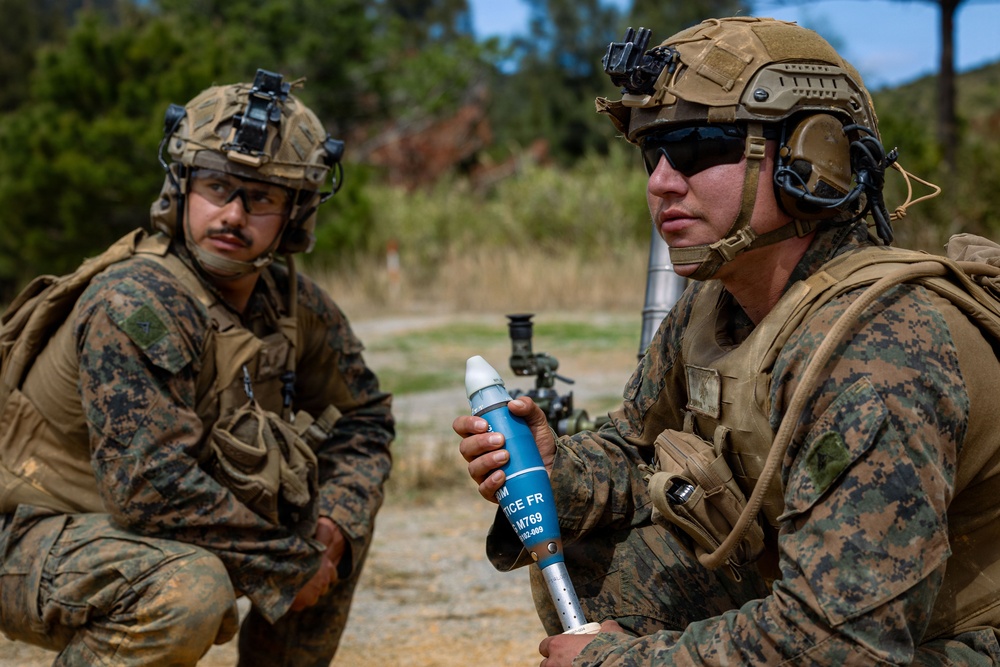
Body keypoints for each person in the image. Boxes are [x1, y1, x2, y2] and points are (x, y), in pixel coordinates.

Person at [454, 16, 1000, 666]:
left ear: (811, 156)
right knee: (597, 545)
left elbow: (844, 645)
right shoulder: (714, 307)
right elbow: (636, 448)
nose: (660, 181)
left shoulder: (882, 344)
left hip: (941, 640)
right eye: (650, 152)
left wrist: (620, 661)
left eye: (693, 147)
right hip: (828, 605)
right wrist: (556, 471)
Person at [0, 69, 394, 666]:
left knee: (329, 528)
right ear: (182, 188)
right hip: (29, 534)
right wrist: (292, 565)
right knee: (189, 591)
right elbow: (149, 490)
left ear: (296, 212)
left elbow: (364, 418)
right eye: (216, 187)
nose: (233, 215)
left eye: (260, 197)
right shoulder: (135, 300)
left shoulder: (294, 304)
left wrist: (337, 519)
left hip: (135, 539)